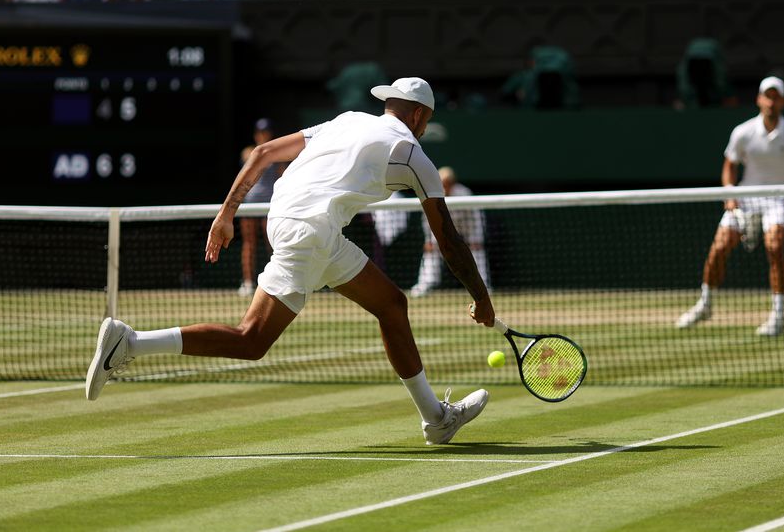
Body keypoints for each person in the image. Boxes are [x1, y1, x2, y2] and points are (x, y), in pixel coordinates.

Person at [86, 78, 495, 446]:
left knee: (391, 304)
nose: (423, 128)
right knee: (252, 340)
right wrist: (481, 296)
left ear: (390, 103)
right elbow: (449, 240)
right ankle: (132, 342)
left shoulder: (346, 120)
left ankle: (436, 419)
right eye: (425, 121)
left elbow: (263, 153)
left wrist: (226, 213)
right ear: (420, 114)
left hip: (288, 220)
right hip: (310, 232)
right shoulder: (413, 155)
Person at [676, 77, 784, 336]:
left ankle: (778, 315)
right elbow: (730, 165)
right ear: (759, 99)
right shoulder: (743, 132)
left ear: (783, 101)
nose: (771, 102)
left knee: (775, 246)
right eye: (767, 96)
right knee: (719, 248)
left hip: (779, 198)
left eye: (776, 97)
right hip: (746, 197)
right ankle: (705, 304)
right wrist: (730, 194)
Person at [410, 167, 491, 298]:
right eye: (441, 183)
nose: (444, 187)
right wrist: (428, 241)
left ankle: (484, 286)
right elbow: (427, 219)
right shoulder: (432, 193)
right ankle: (424, 285)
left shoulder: (464, 194)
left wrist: (476, 239)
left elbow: (476, 218)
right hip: (443, 229)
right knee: (431, 252)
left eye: (446, 184)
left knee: (477, 251)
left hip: (467, 230)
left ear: (452, 183)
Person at [237, 118, 284, 297]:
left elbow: (281, 175)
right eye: (260, 132)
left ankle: (276, 280)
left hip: (269, 205)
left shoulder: (276, 154)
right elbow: (249, 163)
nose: (263, 135)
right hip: (249, 205)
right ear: (256, 134)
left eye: (266, 131)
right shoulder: (249, 152)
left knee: (272, 243)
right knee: (249, 243)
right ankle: (248, 283)